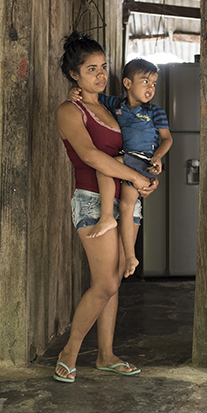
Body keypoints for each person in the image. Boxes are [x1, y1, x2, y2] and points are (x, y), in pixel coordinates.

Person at [54, 31, 158, 383]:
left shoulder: (112, 107)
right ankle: (70, 352)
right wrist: (134, 175)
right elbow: (91, 155)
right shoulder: (70, 110)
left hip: (123, 198)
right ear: (74, 75)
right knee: (105, 282)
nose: (100, 75)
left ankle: (105, 355)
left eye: (103, 68)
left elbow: (130, 150)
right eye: (91, 69)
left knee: (115, 281)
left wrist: (145, 175)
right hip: (92, 199)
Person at [69, 58, 174, 278]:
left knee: (107, 170)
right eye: (145, 81)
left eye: (154, 83)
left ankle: (110, 222)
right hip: (127, 159)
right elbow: (91, 98)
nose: (150, 88)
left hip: (143, 160)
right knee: (126, 206)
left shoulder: (155, 112)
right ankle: (130, 256)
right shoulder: (115, 105)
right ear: (127, 83)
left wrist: (157, 157)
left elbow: (167, 139)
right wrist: (74, 93)